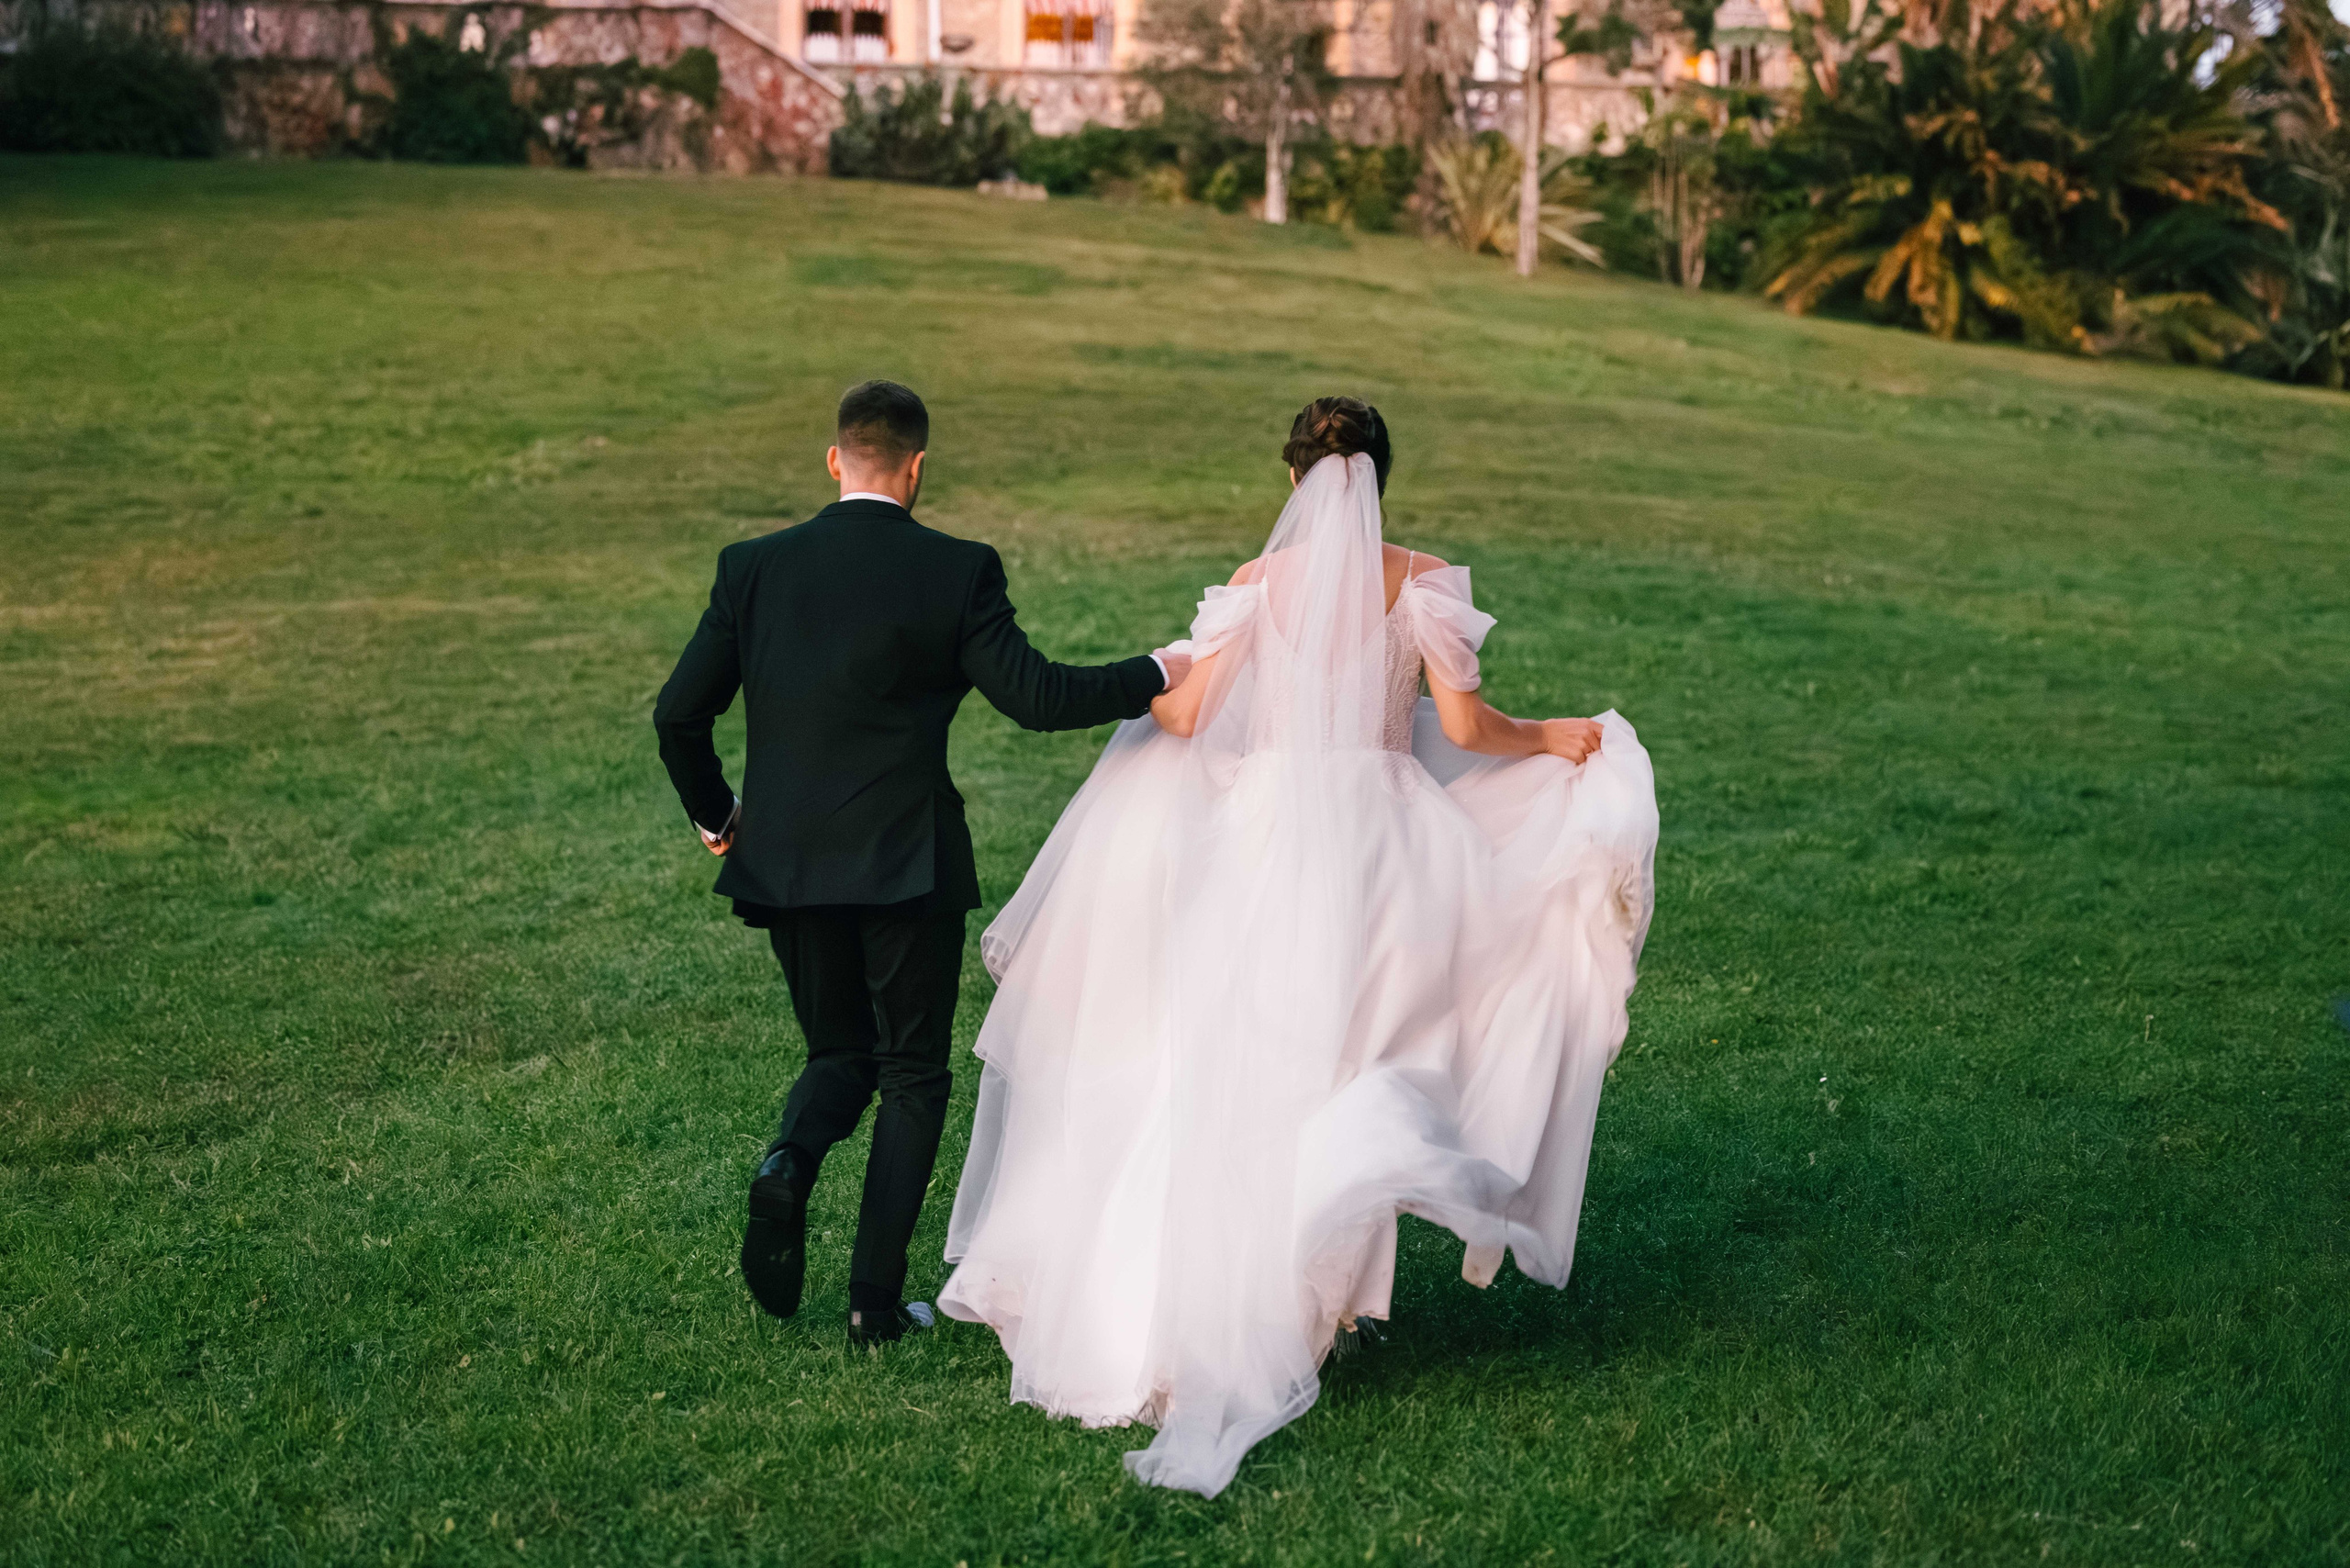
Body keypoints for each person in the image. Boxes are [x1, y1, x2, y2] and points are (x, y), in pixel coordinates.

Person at [936, 397, 1660, 1495]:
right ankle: (1312, 1293)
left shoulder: (1257, 583)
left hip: (1261, 833)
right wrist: (1547, 737)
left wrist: (1171, 670)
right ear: (1379, 479)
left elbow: (1183, 722)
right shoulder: (1422, 577)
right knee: (1366, 1051)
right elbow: (1466, 731)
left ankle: (1204, 1302)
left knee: (1227, 1057)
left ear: (1292, 485)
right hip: (1381, 839)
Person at [653, 380, 1192, 1348]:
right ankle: (871, 1302)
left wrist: (718, 815)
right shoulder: (956, 569)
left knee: (834, 1054)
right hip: (908, 862)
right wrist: (1155, 672)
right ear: (916, 467)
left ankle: (785, 1162)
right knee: (909, 1072)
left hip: (787, 864)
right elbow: (1034, 696)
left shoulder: (753, 567)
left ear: (834, 460)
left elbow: (676, 714)